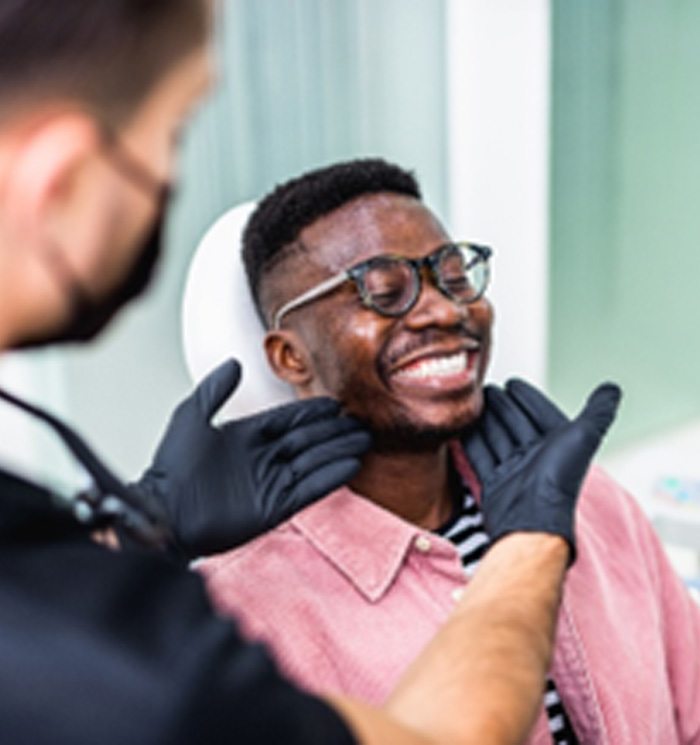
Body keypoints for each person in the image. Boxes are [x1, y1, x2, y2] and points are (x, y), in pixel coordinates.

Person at [0, 2, 621, 744]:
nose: (438, 311)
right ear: (59, 179)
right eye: (170, 133)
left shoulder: (600, 505)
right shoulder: (226, 619)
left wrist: (139, 523)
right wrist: (529, 540)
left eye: (453, 274)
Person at [199, 158, 700, 745]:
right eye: (384, 291)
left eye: (456, 277)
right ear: (290, 358)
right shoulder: (242, 617)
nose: (444, 310)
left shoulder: (584, 500)